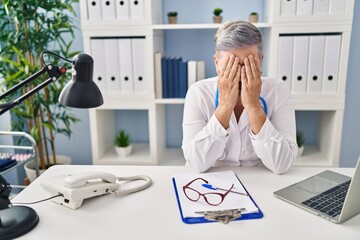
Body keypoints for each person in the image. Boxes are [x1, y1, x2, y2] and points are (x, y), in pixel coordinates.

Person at [181, 20, 298, 174]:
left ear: (260, 61)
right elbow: (196, 163)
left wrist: (253, 106)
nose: (240, 75)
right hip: (214, 182)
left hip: (262, 182)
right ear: (217, 63)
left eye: (248, 65)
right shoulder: (198, 93)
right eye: (231, 66)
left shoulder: (277, 91)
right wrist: (224, 106)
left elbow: (282, 164)